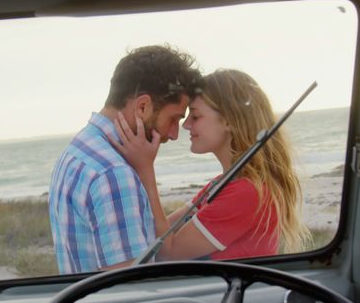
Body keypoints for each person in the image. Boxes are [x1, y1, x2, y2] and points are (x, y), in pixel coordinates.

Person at [111, 69, 310, 261]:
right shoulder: (222, 184)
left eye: (195, 116)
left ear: (229, 121)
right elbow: (162, 231)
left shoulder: (247, 193)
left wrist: (145, 169)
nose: (186, 125)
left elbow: (167, 252)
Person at [49, 44, 202, 274]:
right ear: (143, 106)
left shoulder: (78, 150)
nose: (173, 134)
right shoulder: (113, 175)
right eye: (174, 119)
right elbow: (132, 290)